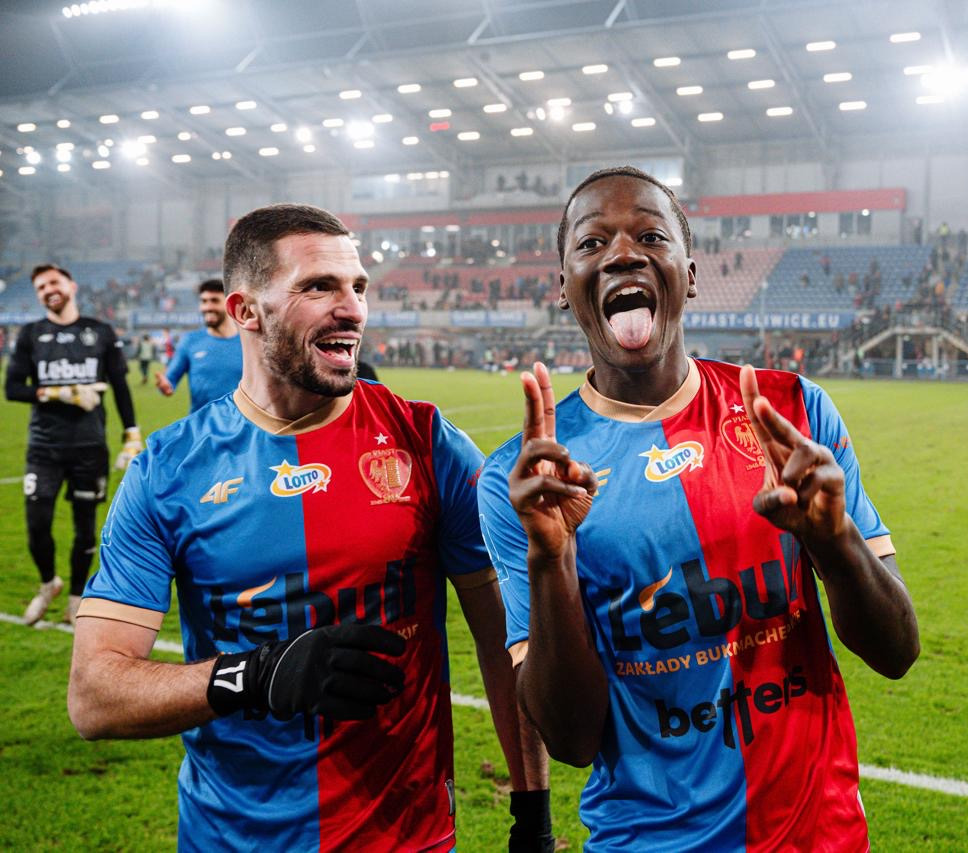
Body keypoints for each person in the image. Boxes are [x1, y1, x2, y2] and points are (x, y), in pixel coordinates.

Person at [67, 204, 553, 852]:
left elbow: (502, 640)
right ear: (245, 311)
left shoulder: (426, 442)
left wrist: (534, 815)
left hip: (407, 837)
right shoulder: (167, 470)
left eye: (359, 287)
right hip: (230, 839)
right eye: (319, 287)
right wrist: (257, 674)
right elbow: (94, 695)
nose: (352, 309)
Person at [478, 167, 919, 851]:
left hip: (818, 835)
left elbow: (896, 651)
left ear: (688, 275)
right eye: (592, 243)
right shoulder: (527, 479)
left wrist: (836, 543)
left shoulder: (792, 413)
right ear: (564, 288)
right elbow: (571, 739)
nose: (622, 254)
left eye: (651, 236)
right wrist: (552, 560)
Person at [4, 264, 143, 625]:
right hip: (43, 447)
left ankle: (76, 597)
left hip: (89, 448)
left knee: (85, 529)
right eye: (40, 287)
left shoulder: (100, 332)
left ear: (72, 285)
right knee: (37, 524)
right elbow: (12, 388)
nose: (47, 290)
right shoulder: (31, 334)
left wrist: (132, 434)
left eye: (53, 282)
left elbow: (120, 387)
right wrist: (58, 392)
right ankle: (48, 582)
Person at [155, 278, 242, 412]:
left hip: (241, 422)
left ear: (229, 303)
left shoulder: (247, 342)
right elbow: (171, 379)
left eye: (214, 301)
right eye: (204, 301)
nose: (207, 307)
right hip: (202, 423)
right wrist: (165, 385)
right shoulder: (190, 341)